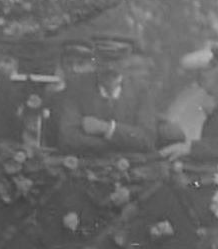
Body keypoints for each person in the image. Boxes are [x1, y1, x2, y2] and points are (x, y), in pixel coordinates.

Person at [55, 23, 162, 154]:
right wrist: (124, 143)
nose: (110, 68)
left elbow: (148, 140)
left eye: (116, 61)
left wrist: (107, 129)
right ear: (95, 60)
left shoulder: (141, 91)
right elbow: (68, 139)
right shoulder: (77, 88)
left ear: (127, 61)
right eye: (104, 60)